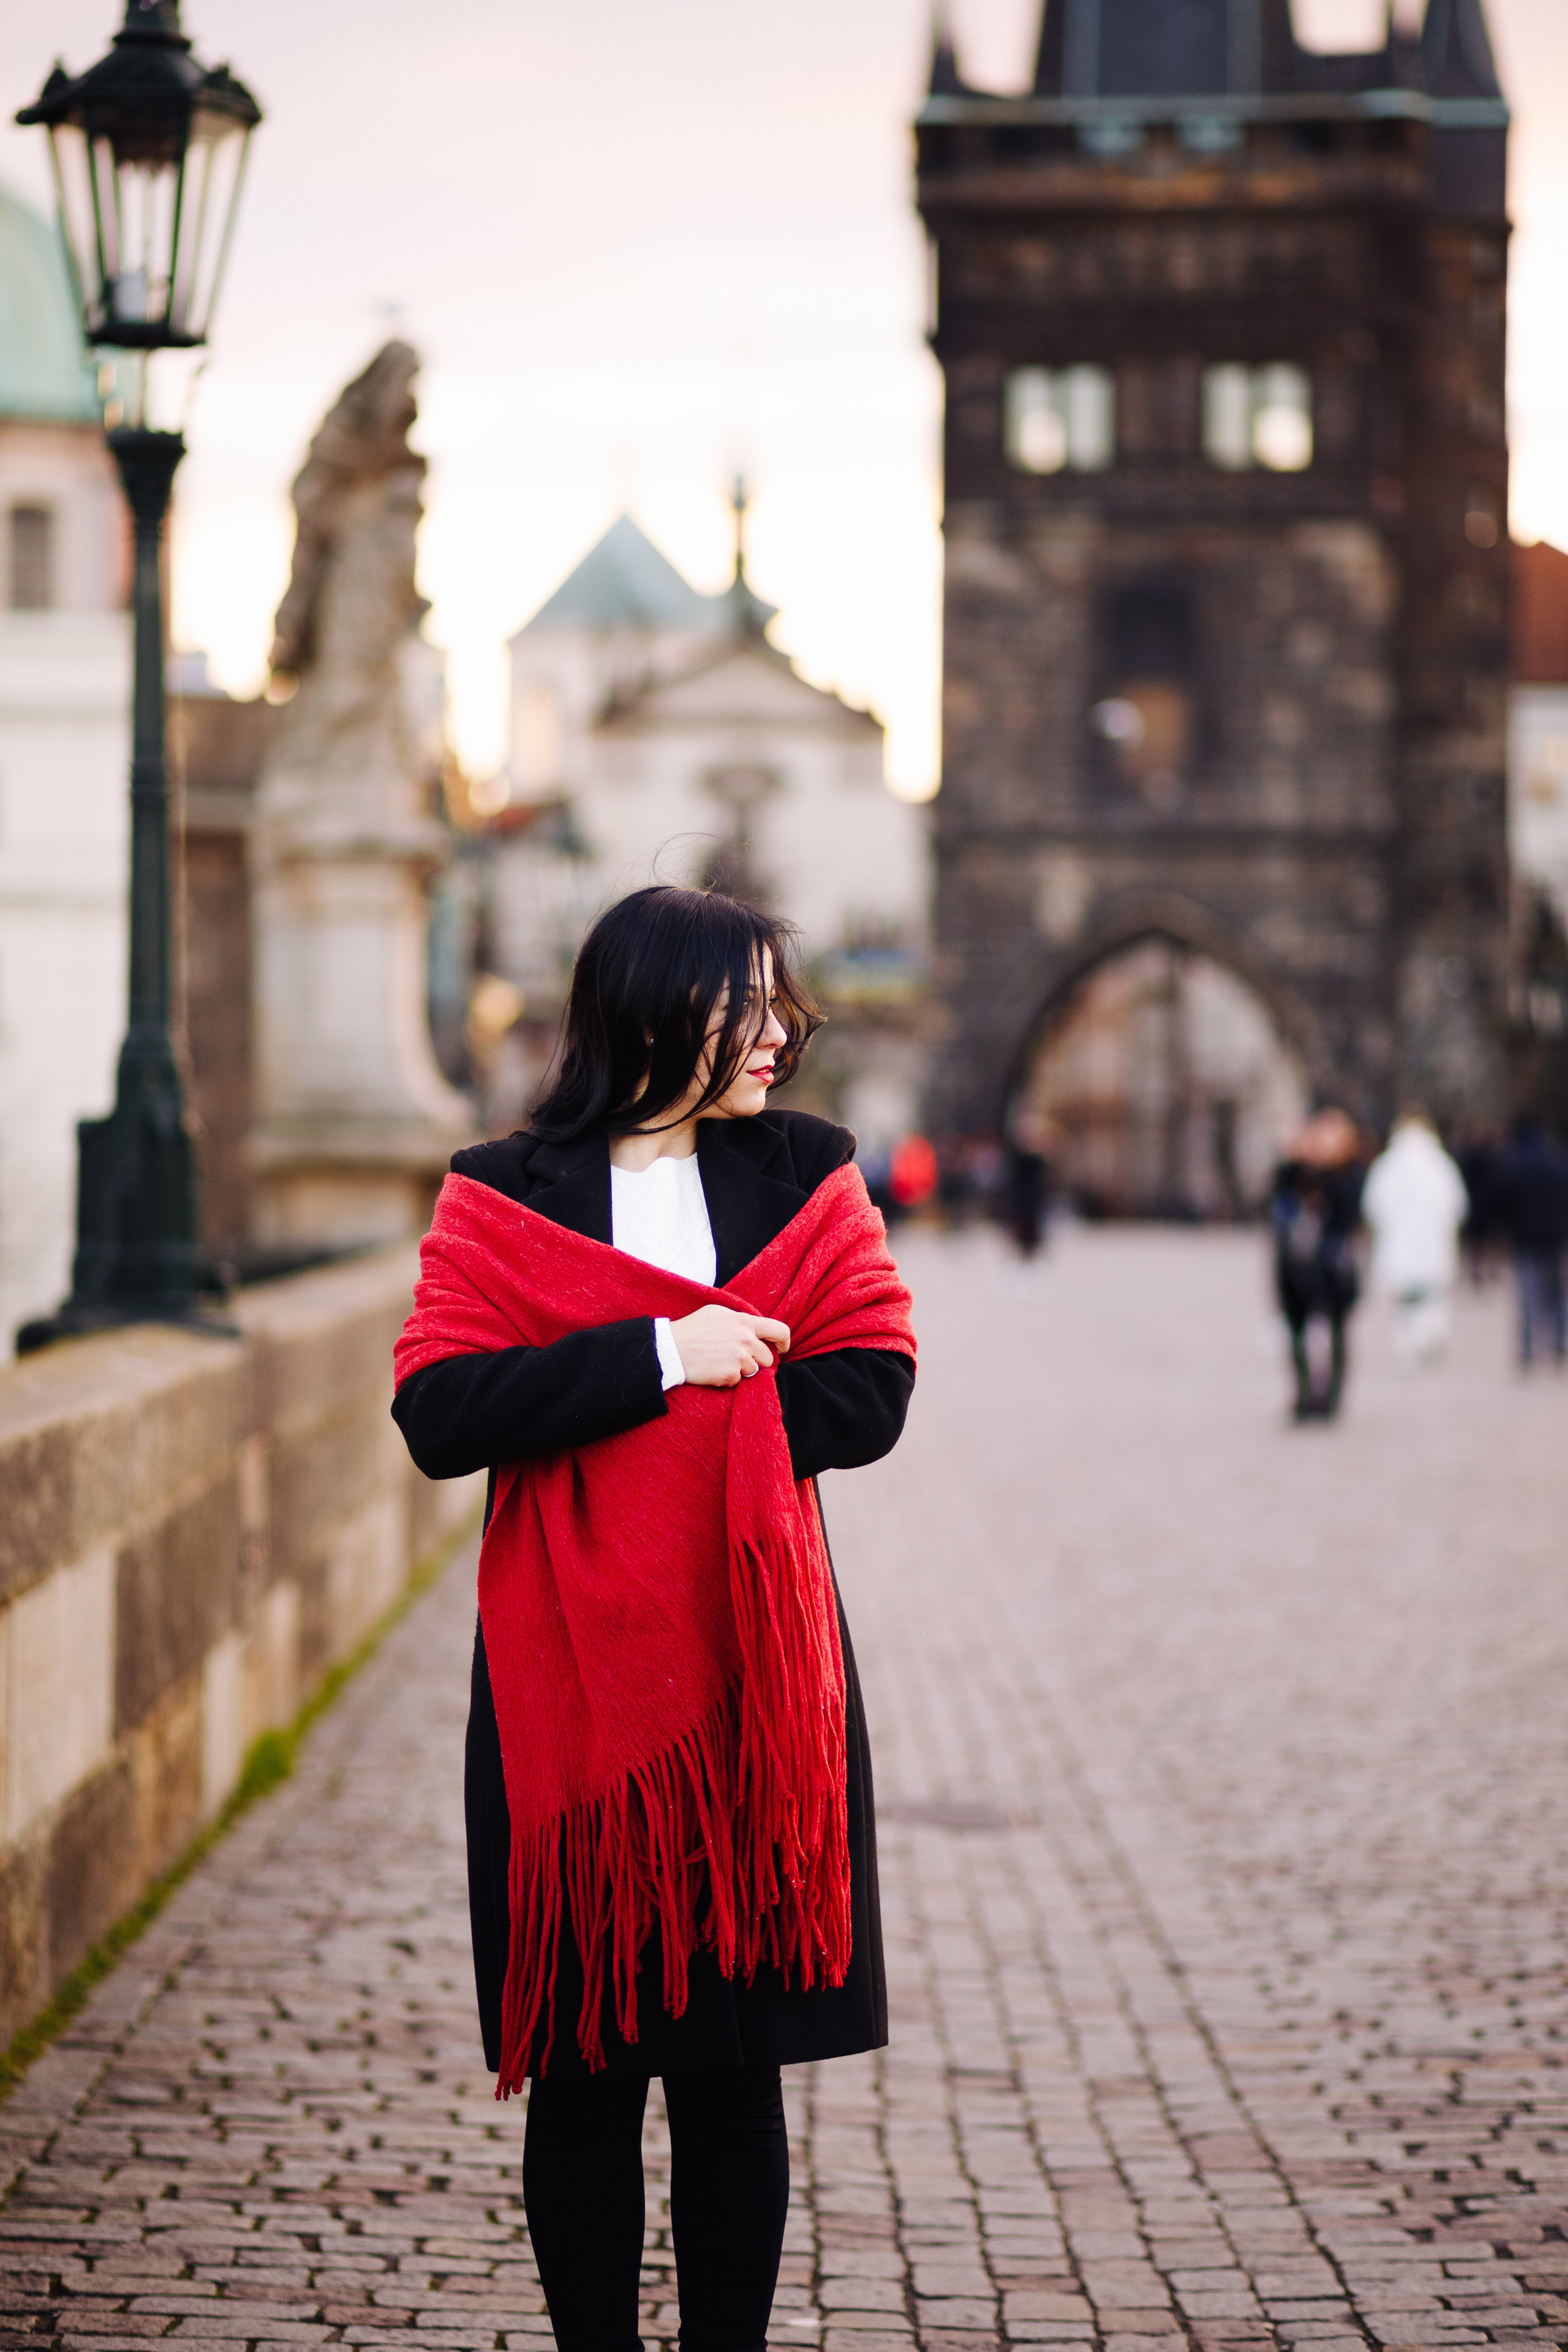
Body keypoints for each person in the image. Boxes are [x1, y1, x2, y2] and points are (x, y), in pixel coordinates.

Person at [390, 886, 916, 2352]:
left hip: (756, 1681)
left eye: (778, 1003)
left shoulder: (807, 1170)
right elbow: (437, 1408)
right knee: (587, 2067)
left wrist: (681, 1414)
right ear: (649, 1009)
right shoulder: (502, 1187)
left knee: (733, 2070)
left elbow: (870, 1379)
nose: (776, 1032)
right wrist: (660, 1354)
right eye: (744, 1002)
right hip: (570, 1687)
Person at [1271, 1107, 1364, 1420]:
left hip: (1333, 1268)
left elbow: (1347, 1214)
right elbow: (1276, 1205)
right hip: (1296, 1269)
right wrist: (1298, 1162)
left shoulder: (1348, 1176)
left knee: (1337, 1333)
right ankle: (1303, 1395)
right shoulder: (1293, 1174)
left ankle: (1331, 1398)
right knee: (1296, 1334)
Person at [1361, 1109, 1469, 1365]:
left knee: (1404, 1299)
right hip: (1433, 1243)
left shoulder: (1387, 1164)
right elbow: (1457, 1205)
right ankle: (1428, 1334)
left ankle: (1407, 1345)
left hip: (1398, 1245)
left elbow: (1372, 1206)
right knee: (1431, 1294)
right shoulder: (1440, 1164)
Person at [1491, 1112, 1568, 1367]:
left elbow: (1502, 1201)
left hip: (1525, 1239)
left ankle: (1527, 1349)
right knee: (1558, 1294)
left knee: (1528, 1296)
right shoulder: (1559, 1162)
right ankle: (1560, 1343)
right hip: (1557, 1238)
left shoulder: (1515, 1165)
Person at [1005, 1107, 1059, 1260]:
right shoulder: (1018, 1158)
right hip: (1022, 1200)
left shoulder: (1038, 1160)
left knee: (1033, 1225)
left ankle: (1031, 1250)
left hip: (1033, 1200)